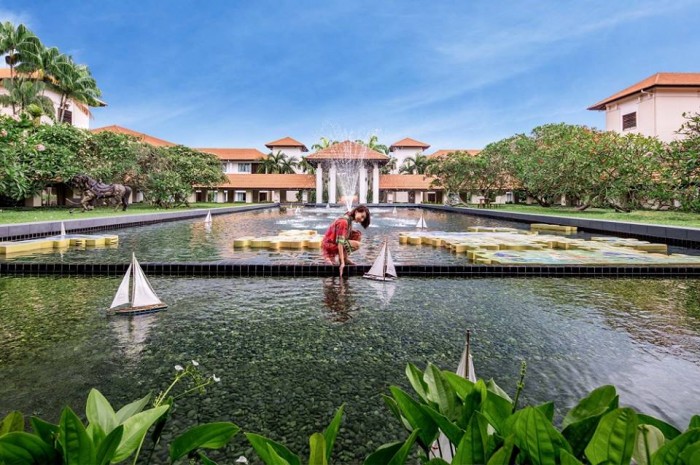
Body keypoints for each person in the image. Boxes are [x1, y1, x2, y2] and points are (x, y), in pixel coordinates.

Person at [321, 205, 371, 278]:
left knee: (357, 234)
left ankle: (344, 258)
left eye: (364, 218)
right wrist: (342, 263)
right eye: (362, 216)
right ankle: (341, 259)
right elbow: (340, 243)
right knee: (357, 245)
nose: (362, 220)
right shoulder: (344, 221)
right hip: (329, 245)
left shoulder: (349, 217)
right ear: (356, 211)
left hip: (332, 243)